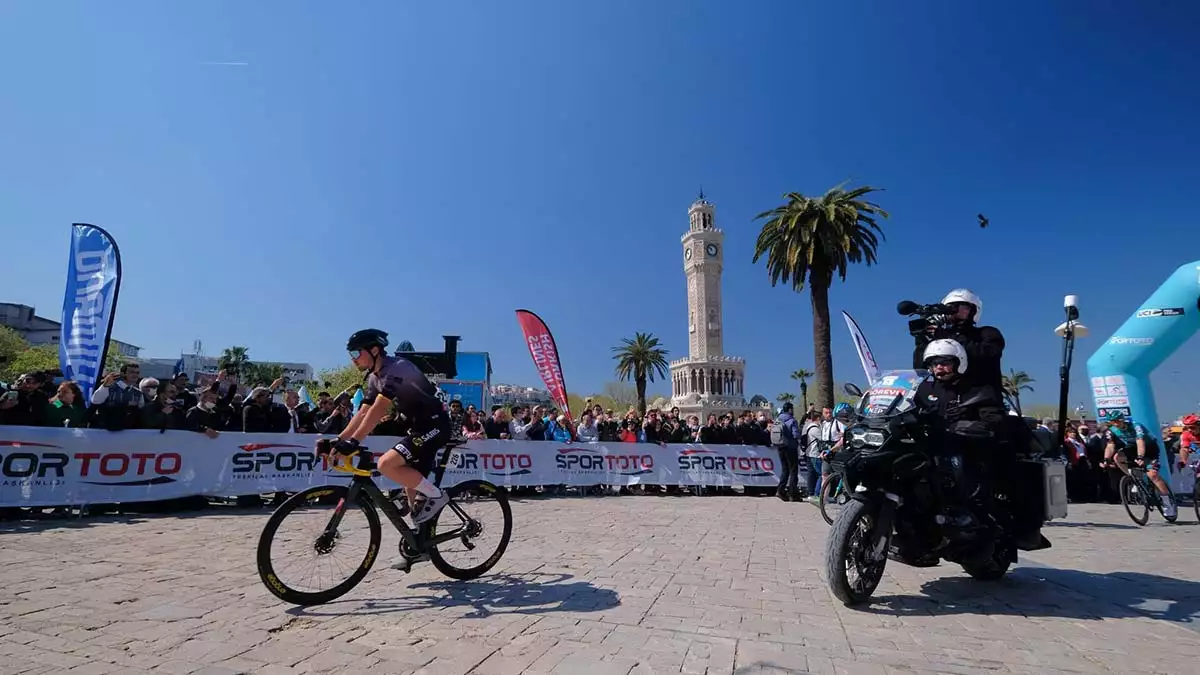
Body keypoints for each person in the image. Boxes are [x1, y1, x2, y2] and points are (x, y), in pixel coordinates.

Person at [318, 329, 453, 539]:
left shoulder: (398, 367)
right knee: (412, 494)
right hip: (417, 429)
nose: (353, 359)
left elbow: (379, 409)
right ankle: (421, 543)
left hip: (436, 426)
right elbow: (363, 411)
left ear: (374, 350)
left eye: (356, 353)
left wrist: (354, 441)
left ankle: (437, 496)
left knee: (386, 464)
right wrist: (339, 439)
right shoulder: (374, 378)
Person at [913, 339, 1007, 529]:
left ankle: (967, 516)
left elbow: (993, 419)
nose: (939, 367)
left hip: (963, 448)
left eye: (945, 362)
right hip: (927, 445)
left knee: (958, 467)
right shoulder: (923, 388)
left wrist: (969, 425)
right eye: (934, 363)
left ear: (959, 362)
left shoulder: (976, 389)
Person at [912, 289, 1005, 392]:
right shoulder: (940, 337)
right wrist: (923, 342)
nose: (954, 311)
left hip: (981, 398)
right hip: (946, 398)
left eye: (961, 306)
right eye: (950, 308)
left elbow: (988, 353)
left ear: (974, 311)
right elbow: (920, 368)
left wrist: (949, 337)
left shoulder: (987, 332)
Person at [1100, 410, 1175, 519]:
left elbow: (1140, 441)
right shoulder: (1111, 430)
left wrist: (1140, 457)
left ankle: (1168, 503)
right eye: (1112, 422)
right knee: (1117, 457)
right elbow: (1110, 446)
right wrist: (1106, 459)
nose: (1114, 424)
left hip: (1149, 448)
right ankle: (1133, 478)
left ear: (1122, 420)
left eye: (1116, 421)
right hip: (1131, 448)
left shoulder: (1136, 426)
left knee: (1152, 475)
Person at [773, 402, 802, 501]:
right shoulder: (791, 420)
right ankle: (792, 494)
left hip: (780, 447)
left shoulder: (777, 419)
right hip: (790, 447)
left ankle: (780, 490)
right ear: (790, 409)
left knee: (785, 470)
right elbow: (796, 435)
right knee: (793, 471)